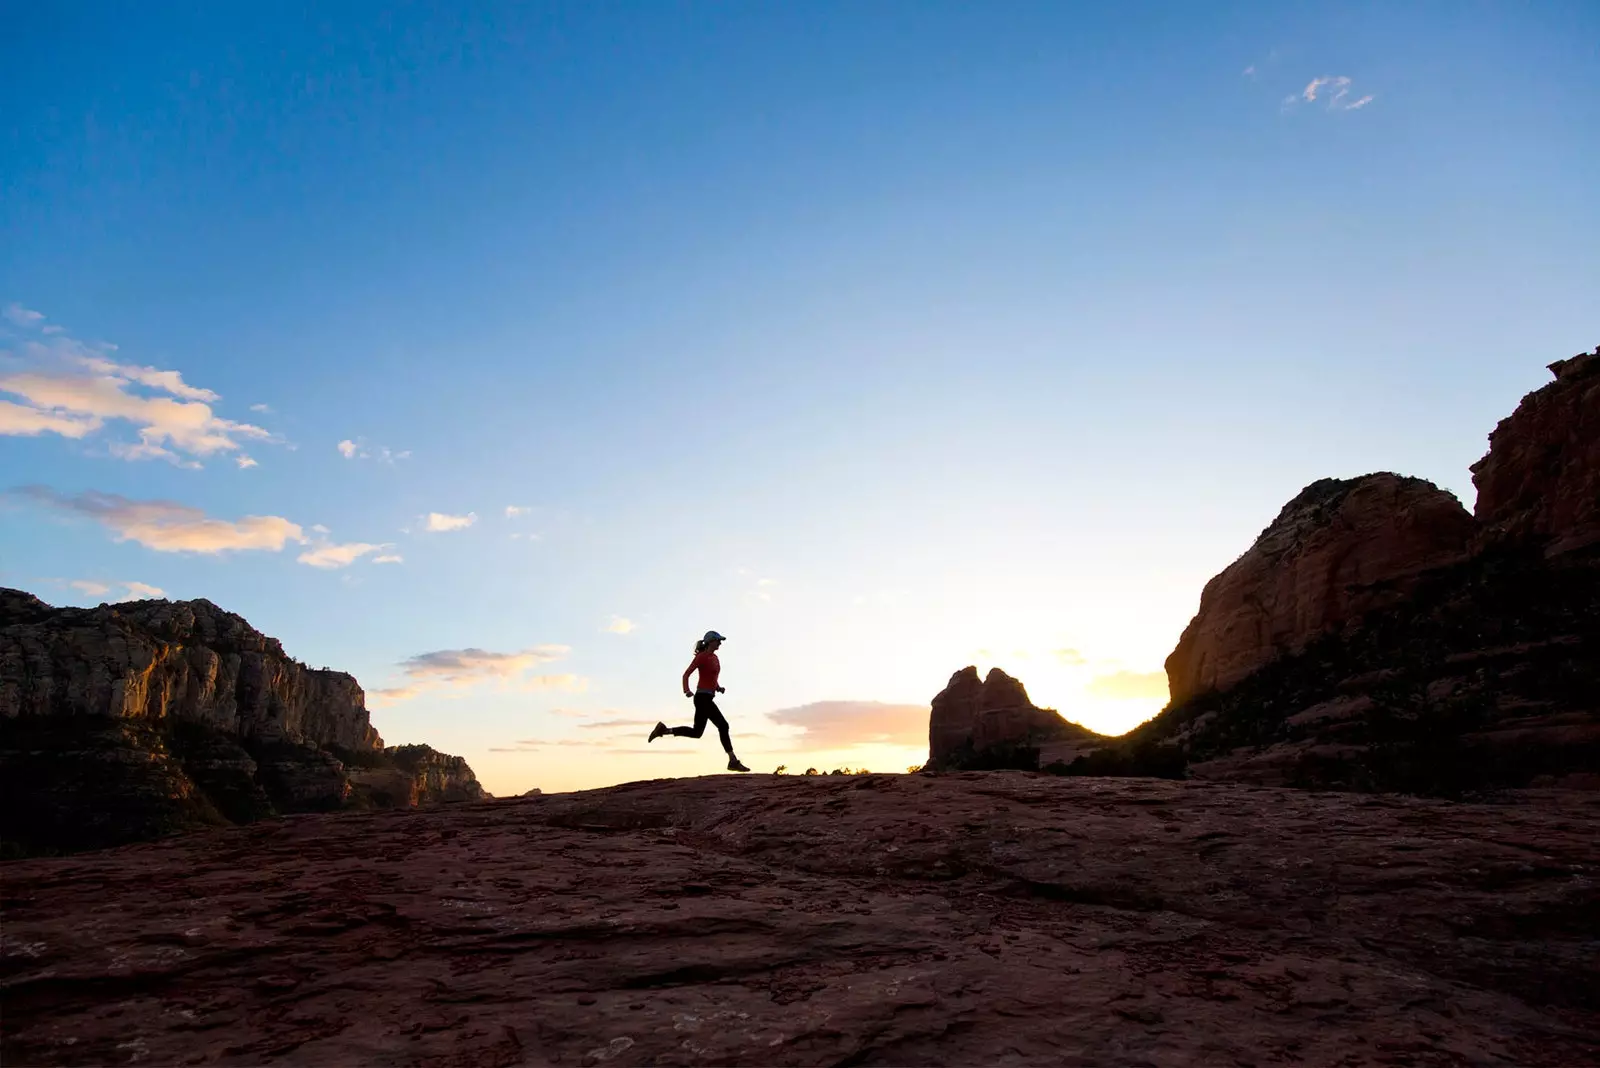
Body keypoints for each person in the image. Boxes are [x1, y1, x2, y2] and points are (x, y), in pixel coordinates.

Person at [649, 630, 750, 772]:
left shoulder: (715, 658)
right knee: (723, 726)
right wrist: (687, 690)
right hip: (702, 698)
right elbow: (686, 674)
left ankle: (664, 730)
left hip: (708, 697)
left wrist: (718, 687)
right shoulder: (701, 657)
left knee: (697, 733)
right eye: (718, 640)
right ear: (710, 642)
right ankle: (732, 760)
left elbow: (712, 677)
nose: (720, 643)